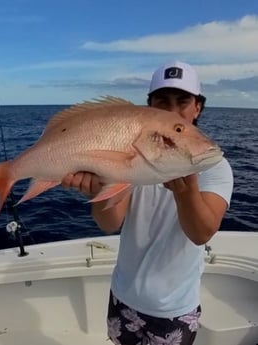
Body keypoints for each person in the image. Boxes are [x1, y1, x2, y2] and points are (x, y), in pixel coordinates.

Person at [62, 61, 234, 345]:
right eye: (162, 102)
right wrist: (98, 188)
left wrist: (185, 190)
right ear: (148, 107)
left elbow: (201, 233)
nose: (171, 110)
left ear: (197, 108)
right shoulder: (133, 153)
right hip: (124, 295)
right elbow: (109, 223)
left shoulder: (214, 167)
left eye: (182, 101)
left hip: (175, 308)